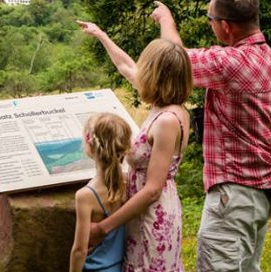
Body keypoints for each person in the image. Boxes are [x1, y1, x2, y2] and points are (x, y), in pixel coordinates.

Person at [151, 0, 271, 272]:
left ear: (226, 26)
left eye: (210, 19)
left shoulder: (230, 63)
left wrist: (166, 21)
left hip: (233, 196)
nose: (210, 25)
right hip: (263, 192)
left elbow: (175, 59)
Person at [78, 21, 192, 271]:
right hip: (139, 212)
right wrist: (102, 35)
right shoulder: (164, 104)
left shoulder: (167, 121)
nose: (140, 71)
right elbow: (125, 66)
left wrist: (103, 228)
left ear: (156, 74)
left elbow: (152, 190)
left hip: (151, 216)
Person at [70, 112, 132, 272]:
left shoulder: (85, 196)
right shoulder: (129, 182)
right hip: (121, 266)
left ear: (90, 146)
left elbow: (80, 250)